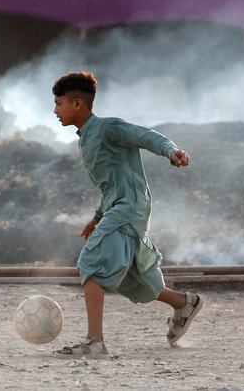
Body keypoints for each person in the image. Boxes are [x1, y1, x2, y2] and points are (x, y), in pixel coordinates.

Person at [51, 71, 203, 358]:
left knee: (91, 263)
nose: (55, 110)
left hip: (130, 207)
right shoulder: (85, 138)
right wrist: (97, 217)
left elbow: (145, 136)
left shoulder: (108, 128)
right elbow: (110, 184)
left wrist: (172, 151)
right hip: (119, 207)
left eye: (58, 103)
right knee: (131, 274)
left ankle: (94, 342)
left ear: (78, 104)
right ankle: (184, 303)